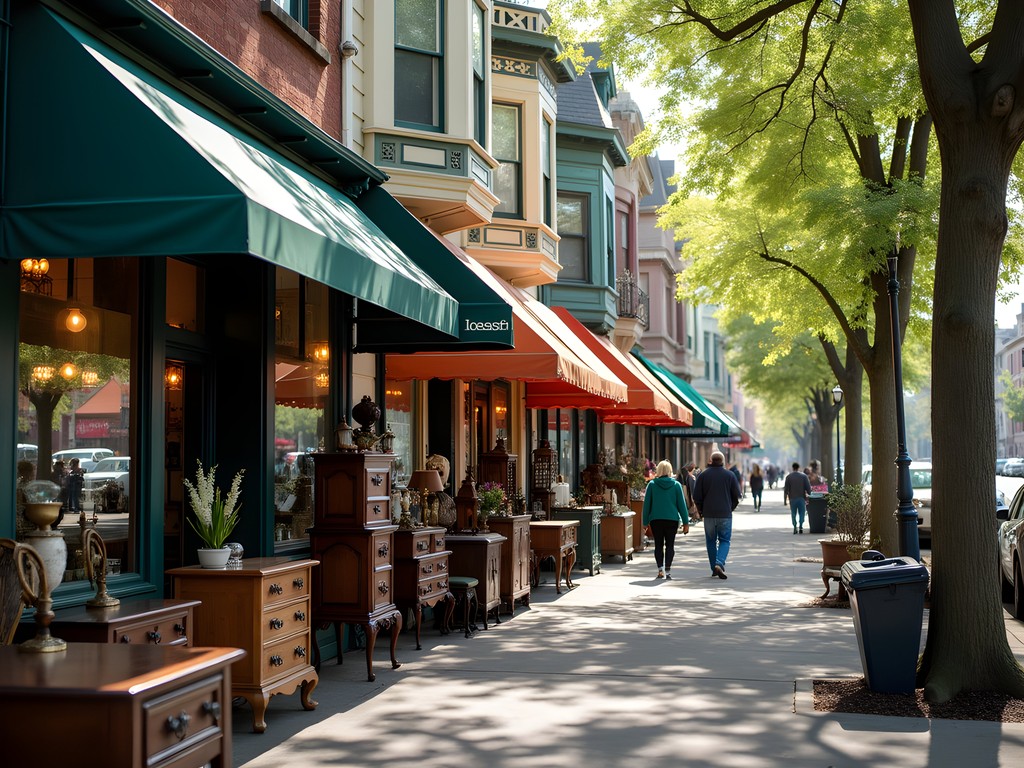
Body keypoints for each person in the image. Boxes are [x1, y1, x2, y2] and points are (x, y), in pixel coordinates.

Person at [692, 451, 740, 579]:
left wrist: (701, 511)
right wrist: (730, 508)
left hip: (708, 514)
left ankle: (714, 567)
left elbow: (696, 497)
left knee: (710, 541)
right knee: (725, 540)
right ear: (723, 461)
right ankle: (719, 563)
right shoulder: (730, 475)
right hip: (725, 514)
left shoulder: (703, 475)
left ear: (710, 460)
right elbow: (737, 496)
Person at [641, 460, 689, 580]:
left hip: (656, 520)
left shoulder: (652, 485)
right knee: (670, 545)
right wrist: (686, 522)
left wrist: (645, 522)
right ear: (669, 471)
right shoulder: (676, 485)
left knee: (658, 545)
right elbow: (682, 505)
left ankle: (660, 569)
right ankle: (667, 570)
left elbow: (647, 505)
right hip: (672, 520)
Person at [784, 462, 812, 534]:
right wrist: (809, 494)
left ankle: (794, 526)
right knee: (802, 513)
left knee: (793, 513)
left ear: (792, 468)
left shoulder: (788, 477)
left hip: (792, 498)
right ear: (798, 468)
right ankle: (801, 526)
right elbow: (808, 487)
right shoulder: (804, 476)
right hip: (801, 498)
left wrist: (785, 500)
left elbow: (786, 489)